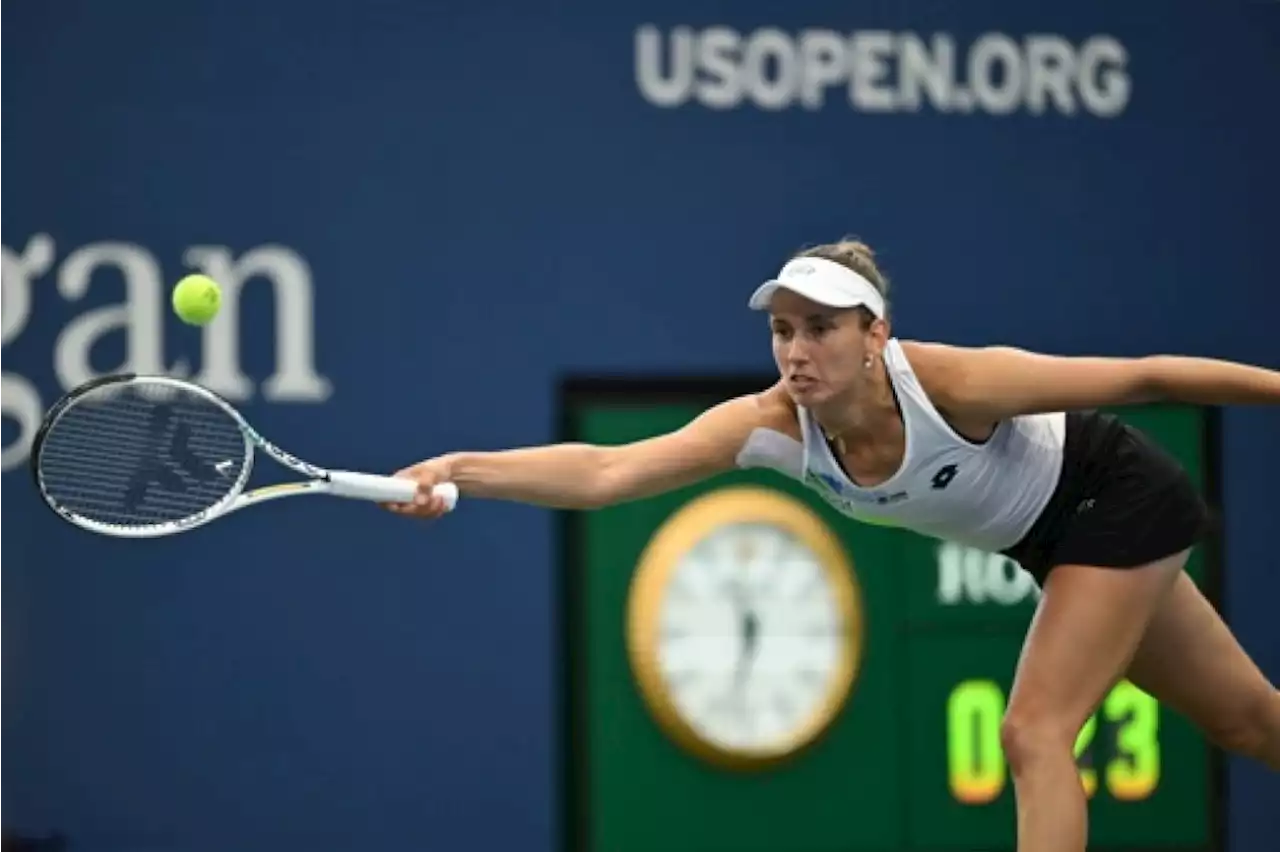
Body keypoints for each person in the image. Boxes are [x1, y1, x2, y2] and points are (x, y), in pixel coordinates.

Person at [384, 238, 1280, 852]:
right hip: (1047, 541)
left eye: (821, 328)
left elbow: (1148, 376)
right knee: (1247, 721)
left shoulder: (953, 382)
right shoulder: (770, 424)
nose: (796, 350)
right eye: (783, 329)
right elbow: (609, 471)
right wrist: (461, 467)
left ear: (874, 335)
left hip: (1111, 495)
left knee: (1033, 729)